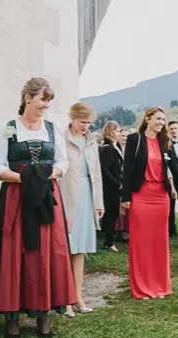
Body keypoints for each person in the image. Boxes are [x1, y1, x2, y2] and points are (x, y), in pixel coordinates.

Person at [0, 77, 76, 338]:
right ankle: (12, 317)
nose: (46, 105)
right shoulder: (8, 128)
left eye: (49, 101)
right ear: (27, 98)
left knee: (45, 254)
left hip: (45, 196)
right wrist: (25, 178)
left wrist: (47, 175)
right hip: (16, 197)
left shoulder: (51, 128)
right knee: (15, 253)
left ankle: (43, 315)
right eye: (42, 100)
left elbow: (62, 162)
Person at [120, 107, 178, 299]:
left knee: (159, 243)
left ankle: (161, 285)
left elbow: (174, 167)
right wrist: (126, 197)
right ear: (148, 119)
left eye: (163, 119)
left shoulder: (164, 141)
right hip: (141, 196)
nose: (162, 122)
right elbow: (126, 170)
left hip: (161, 197)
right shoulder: (134, 139)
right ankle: (142, 286)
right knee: (141, 243)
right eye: (158, 119)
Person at [60, 102, 104, 317]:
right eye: (82, 122)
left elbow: (96, 174)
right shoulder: (61, 139)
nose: (85, 126)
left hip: (87, 195)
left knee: (80, 250)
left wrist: (99, 203)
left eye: (88, 123)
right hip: (68, 196)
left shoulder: (92, 140)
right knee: (67, 248)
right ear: (73, 118)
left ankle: (78, 296)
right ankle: (65, 299)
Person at [99, 121, 123, 252]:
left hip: (113, 187)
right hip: (110, 188)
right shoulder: (107, 148)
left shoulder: (112, 146)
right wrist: (117, 183)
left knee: (112, 214)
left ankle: (109, 240)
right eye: (118, 131)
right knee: (111, 215)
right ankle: (108, 242)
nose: (119, 133)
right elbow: (105, 169)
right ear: (112, 131)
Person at [166, 121, 178, 238]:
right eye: (171, 129)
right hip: (171, 177)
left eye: (175, 128)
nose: (173, 130)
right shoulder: (166, 144)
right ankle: (170, 229)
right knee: (170, 204)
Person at [114, 128, 131, 241]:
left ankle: (127, 230)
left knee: (128, 205)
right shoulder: (115, 149)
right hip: (118, 179)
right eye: (123, 136)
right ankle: (118, 231)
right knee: (120, 205)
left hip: (128, 179)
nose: (124, 138)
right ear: (119, 136)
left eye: (126, 136)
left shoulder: (131, 149)